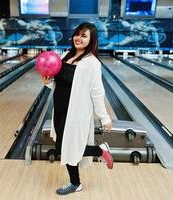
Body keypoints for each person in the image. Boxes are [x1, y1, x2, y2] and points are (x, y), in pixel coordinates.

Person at [41, 22, 113, 195]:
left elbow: (97, 92)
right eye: (77, 34)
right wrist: (48, 82)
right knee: (62, 148)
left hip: (77, 113)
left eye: (84, 36)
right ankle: (83, 173)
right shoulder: (65, 55)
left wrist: (104, 117)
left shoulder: (92, 64)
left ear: (91, 40)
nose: (78, 38)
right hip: (59, 109)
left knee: (68, 147)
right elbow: (60, 85)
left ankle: (80, 177)